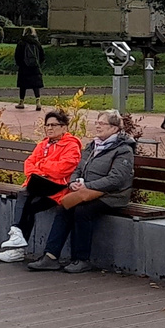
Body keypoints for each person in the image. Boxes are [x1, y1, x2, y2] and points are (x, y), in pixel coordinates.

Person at [26, 111, 134, 273]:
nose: (97, 125)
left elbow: (116, 180)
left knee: (82, 211)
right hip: (87, 191)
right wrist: (74, 182)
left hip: (112, 195)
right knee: (64, 206)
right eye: (97, 122)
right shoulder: (93, 145)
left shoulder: (123, 150)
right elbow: (78, 168)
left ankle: (81, 259)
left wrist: (89, 185)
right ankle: (51, 256)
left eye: (102, 123)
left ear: (114, 128)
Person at [0, 110, 82, 262]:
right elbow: (29, 164)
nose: (49, 128)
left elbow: (62, 169)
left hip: (57, 189)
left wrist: (42, 166)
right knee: (28, 202)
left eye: (54, 125)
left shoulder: (71, 146)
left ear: (64, 127)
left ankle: (17, 239)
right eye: (47, 125)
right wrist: (42, 171)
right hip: (39, 186)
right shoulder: (43, 144)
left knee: (25, 197)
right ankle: (18, 243)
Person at [13, 28, 45, 108]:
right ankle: (38, 102)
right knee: (35, 85)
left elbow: (17, 55)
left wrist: (20, 64)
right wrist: (37, 63)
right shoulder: (37, 43)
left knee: (22, 85)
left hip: (24, 67)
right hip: (35, 67)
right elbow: (42, 56)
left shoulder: (21, 42)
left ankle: (21, 102)